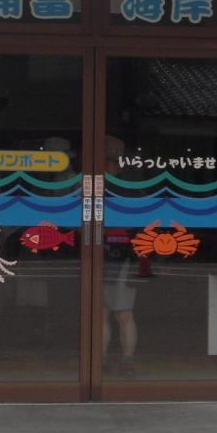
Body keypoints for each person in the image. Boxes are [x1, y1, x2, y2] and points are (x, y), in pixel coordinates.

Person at [102, 135, 139, 376]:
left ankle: (123, 361)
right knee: (107, 312)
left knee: (121, 313)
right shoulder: (130, 185)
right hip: (108, 254)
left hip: (121, 255)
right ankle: (107, 360)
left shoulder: (126, 186)